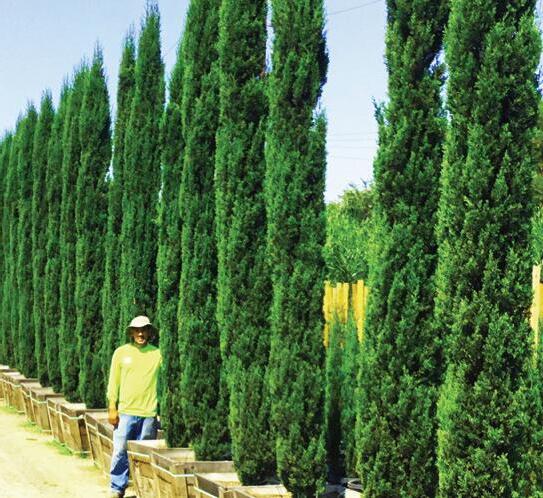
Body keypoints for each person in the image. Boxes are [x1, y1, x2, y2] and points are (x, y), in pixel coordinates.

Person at [107, 315, 162, 498]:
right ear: (131, 332)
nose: (140, 334)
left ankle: (144, 490)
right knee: (120, 451)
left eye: (144, 330)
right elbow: (113, 382)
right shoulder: (121, 353)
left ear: (149, 332)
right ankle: (117, 488)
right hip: (125, 413)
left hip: (149, 413)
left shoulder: (157, 354)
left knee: (145, 456)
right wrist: (112, 407)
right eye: (137, 330)